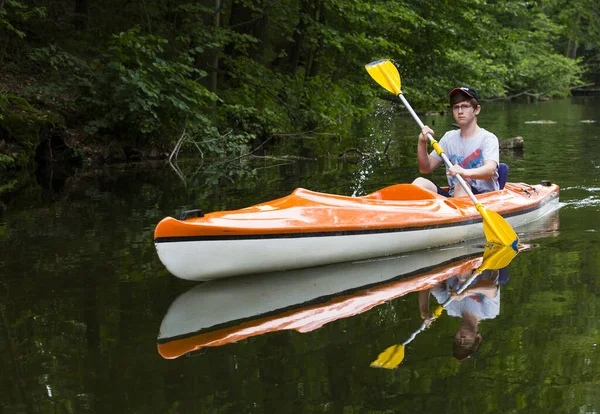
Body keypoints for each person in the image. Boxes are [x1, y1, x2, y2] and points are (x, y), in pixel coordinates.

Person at [412, 86, 500, 198]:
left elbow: (490, 170)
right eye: (456, 107)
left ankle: (459, 213)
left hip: (483, 197)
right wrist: (422, 143)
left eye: (465, 106)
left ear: (476, 110)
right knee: (419, 182)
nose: (460, 111)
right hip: (454, 196)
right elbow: (425, 168)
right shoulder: (448, 138)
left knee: (461, 186)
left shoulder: (488, 138)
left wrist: (463, 172)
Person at [418, 268, 501, 361]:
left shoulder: (451, 308)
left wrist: (424, 310)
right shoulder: (489, 312)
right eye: (467, 341)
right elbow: (491, 288)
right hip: (482, 262)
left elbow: (428, 285)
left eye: (458, 340)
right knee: (462, 276)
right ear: (478, 337)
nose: (462, 338)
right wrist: (464, 293)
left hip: (451, 265)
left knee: (460, 275)